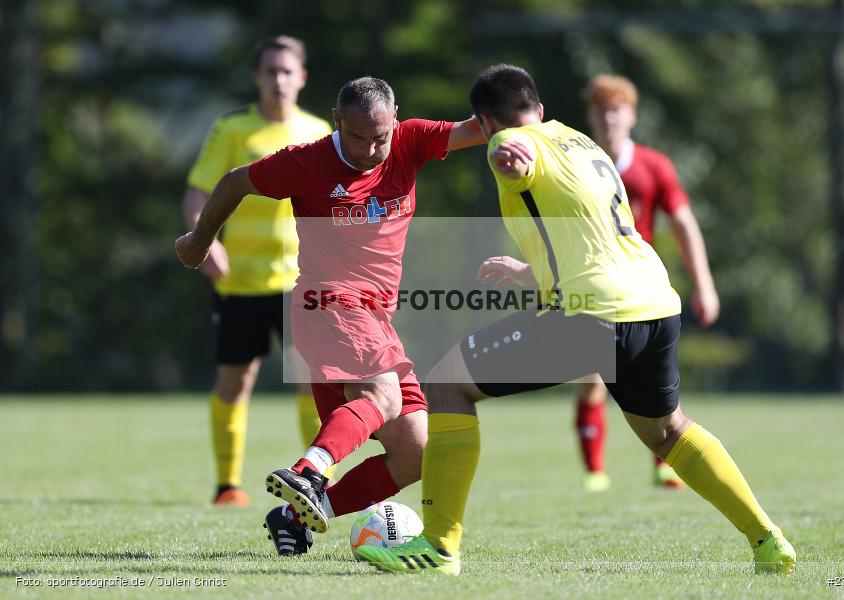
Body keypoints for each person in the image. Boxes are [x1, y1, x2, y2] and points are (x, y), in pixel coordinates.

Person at [357, 64, 795, 576]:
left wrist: (506, 154)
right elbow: (588, 233)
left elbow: (510, 156)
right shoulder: (580, 141)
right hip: (655, 304)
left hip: (596, 317)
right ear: (539, 108)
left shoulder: (510, 145)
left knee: (447, 384)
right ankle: (768, 539)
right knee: (668, 433)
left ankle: (438, 546)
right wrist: (529, 270)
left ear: (484, 121)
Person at [176, 76, 485, 555]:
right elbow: (237, 181)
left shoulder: (412, 140)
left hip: (376, 320)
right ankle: (307, 472)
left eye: (380, 135)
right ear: (337, 121)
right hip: (329, 306)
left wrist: (536, 136)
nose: (371, 149)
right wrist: (200, 239)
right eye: (358, 137)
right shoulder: (307, 162)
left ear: (396, 117)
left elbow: (479, 129)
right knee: (382, 395)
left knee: (416, 450)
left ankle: (293, 517)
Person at [183, 36, 332, 508]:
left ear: (302, 77)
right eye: (270, 71)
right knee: (236, 380)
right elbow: (196, 194)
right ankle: (228, 485)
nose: (279, 80)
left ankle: (315, 477)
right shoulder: (232, 129)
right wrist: (204, 240)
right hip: (241, 282)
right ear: (257, 77)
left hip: (302, 282)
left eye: (287, 71)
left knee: (315, 381)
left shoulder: (319, 129)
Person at [575, 74, 720, 492]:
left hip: (640, 286)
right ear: (591, 116)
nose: (608, 117)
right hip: (592, 284)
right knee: (590, 378)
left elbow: (684, 224)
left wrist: (705, 285)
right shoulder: (577, 163)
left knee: (655, 379)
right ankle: (594, 472)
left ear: (632, 116)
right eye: (601, 109)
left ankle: (664, 464)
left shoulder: (654, 166)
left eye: (616, 109)